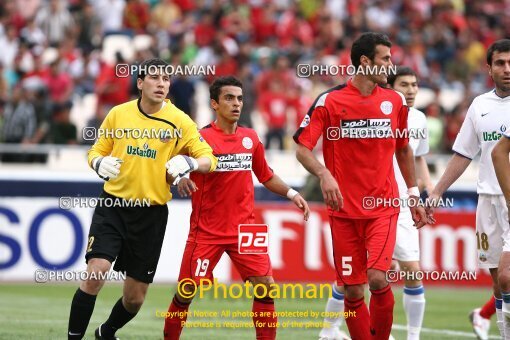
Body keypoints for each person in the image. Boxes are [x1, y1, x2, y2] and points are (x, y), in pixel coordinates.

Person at [66, 58, 217, 340]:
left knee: (135, 298)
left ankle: (106, 332)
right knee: (96, 272)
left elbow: (209, 158)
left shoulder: (180, 121)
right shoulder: (118, 114)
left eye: (166, 79)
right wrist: (98, 163)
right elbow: (95, 151)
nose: (161, 84)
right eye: (154, 78)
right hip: (113, 206)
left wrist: (191, 164)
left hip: (151, 214)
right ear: (139, 83)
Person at [294, 32, 430, 340]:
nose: (390, 65)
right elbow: (302, 148)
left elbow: (404, 149)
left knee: (377, 278)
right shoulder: (329, 101)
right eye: (385, 59)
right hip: (343, 212)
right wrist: (324, 174)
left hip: (383, 207)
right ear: (365, 62)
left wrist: (412, 195)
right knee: (353, 288)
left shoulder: (394, 101)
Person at [163, 76, 310, 340]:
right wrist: (180, 177)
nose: (236, 104)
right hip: (206, 231)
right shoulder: (199, 139)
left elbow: (265, 175)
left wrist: (291, 193)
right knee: (186, 291)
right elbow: (170, 168)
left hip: (245, 230)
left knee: (265, 287)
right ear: (214, 104)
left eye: (240, 99)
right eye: (229, 98)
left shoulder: (250, 138)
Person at [428, 39, 510, 340]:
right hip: (488, 199)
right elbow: (464, 153)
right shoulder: (480, 105)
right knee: (497, 282)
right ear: (488, 68)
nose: (507, 69)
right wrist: (437, 191)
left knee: (506, 276)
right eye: (500, 63)